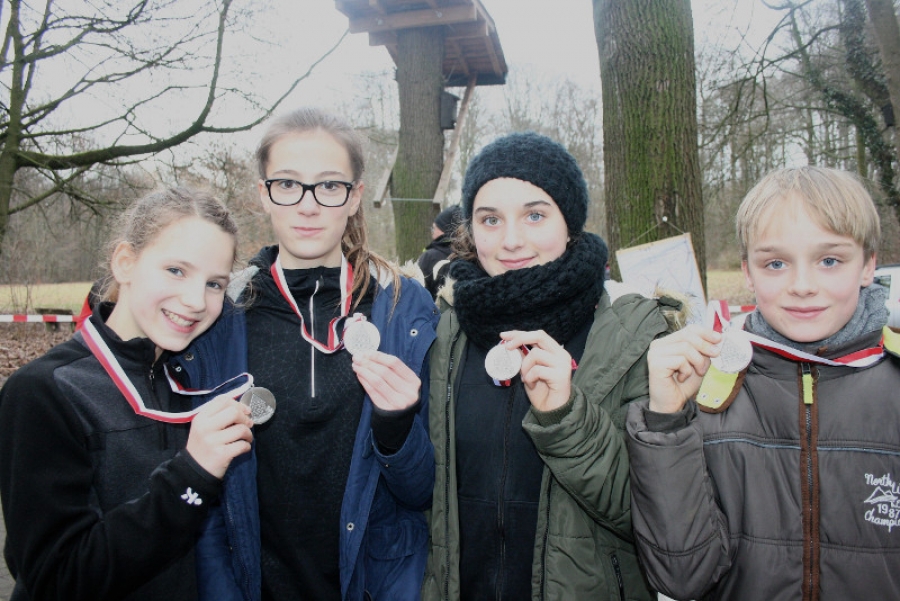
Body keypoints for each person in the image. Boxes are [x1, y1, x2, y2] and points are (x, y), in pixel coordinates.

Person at [182, 107, 440, 601]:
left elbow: (422, 492)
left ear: (355, 197)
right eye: (287, 185)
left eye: (328, 186)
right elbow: (206, 499)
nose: (307, 205)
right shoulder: (222, 314)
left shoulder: (404, 308)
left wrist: (396, 427)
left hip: (374, 586)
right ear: (263, 194)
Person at [422, 131, 680, 600]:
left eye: (535, 215)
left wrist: (566, 419)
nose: (512, 240)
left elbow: (663, 520)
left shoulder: (636, 336)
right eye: (490, 219)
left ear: (569, 222)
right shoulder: (443, 332)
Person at [626, 166, 900, 600]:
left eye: (830, 260)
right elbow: (681, 578)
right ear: (748, 272)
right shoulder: (709, 391)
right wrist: (665, 423)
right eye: (775, 263)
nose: (802, 286)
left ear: (868, 264)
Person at [0, 188, 254, 601]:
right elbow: (56, 579)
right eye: (176, 270)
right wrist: (190, 477)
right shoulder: (45, 391)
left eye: (214, 284)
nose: (194, 300)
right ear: (125, 262)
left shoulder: (196, 383)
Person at [417, 204, 462, 298]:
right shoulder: (475, 256)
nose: (432, 234)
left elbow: (417, 295)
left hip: (435, 311)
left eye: (434, 228)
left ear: (445, 230)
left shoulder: (429, 257)